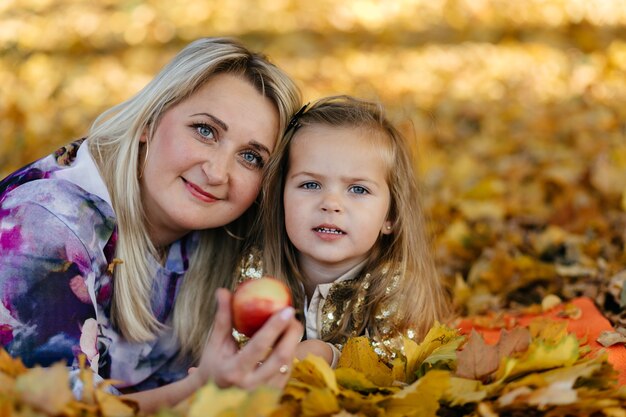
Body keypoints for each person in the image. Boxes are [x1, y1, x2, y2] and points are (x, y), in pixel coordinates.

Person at [0, 37, 303, 412]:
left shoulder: (219, 239)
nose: (217, 172)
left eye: (251, 157)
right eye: (205, 130)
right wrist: (201, 390)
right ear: (149, 121)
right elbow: (57, 410)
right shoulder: (43, 224)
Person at [240, 95, 451, 367]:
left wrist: (329, 358)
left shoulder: (396, 286)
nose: (331, 204)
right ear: (280, 197)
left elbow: (395, 366)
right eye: (310, 185)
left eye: (358, 189)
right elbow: (239, 345)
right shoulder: (258, 269)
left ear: (391, 215)